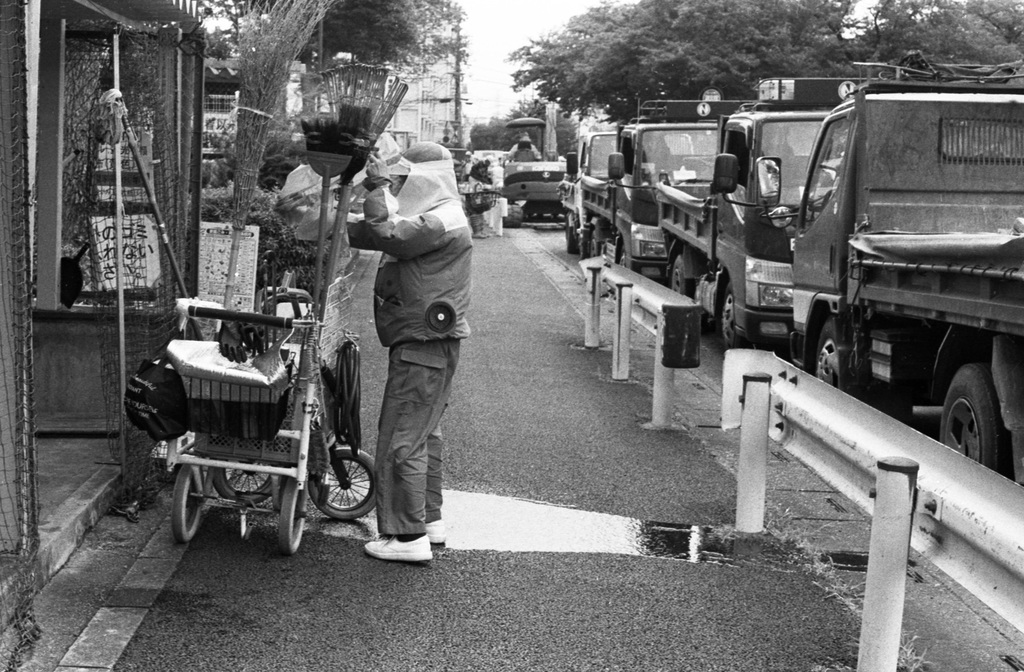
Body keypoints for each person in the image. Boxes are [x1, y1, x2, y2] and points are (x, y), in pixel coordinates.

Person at [347, 141, 473, 563]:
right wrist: (339, 220)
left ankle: (406, 537)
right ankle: (428, 521)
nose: (399, 186)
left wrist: (377, 186)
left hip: (422, 345)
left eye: (404, 179)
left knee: (402, 436)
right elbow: (385, 229)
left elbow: (391, 234)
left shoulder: (440, 220)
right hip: (432, 342)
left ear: (423, 178)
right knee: (423, 435)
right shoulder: (444, 212)